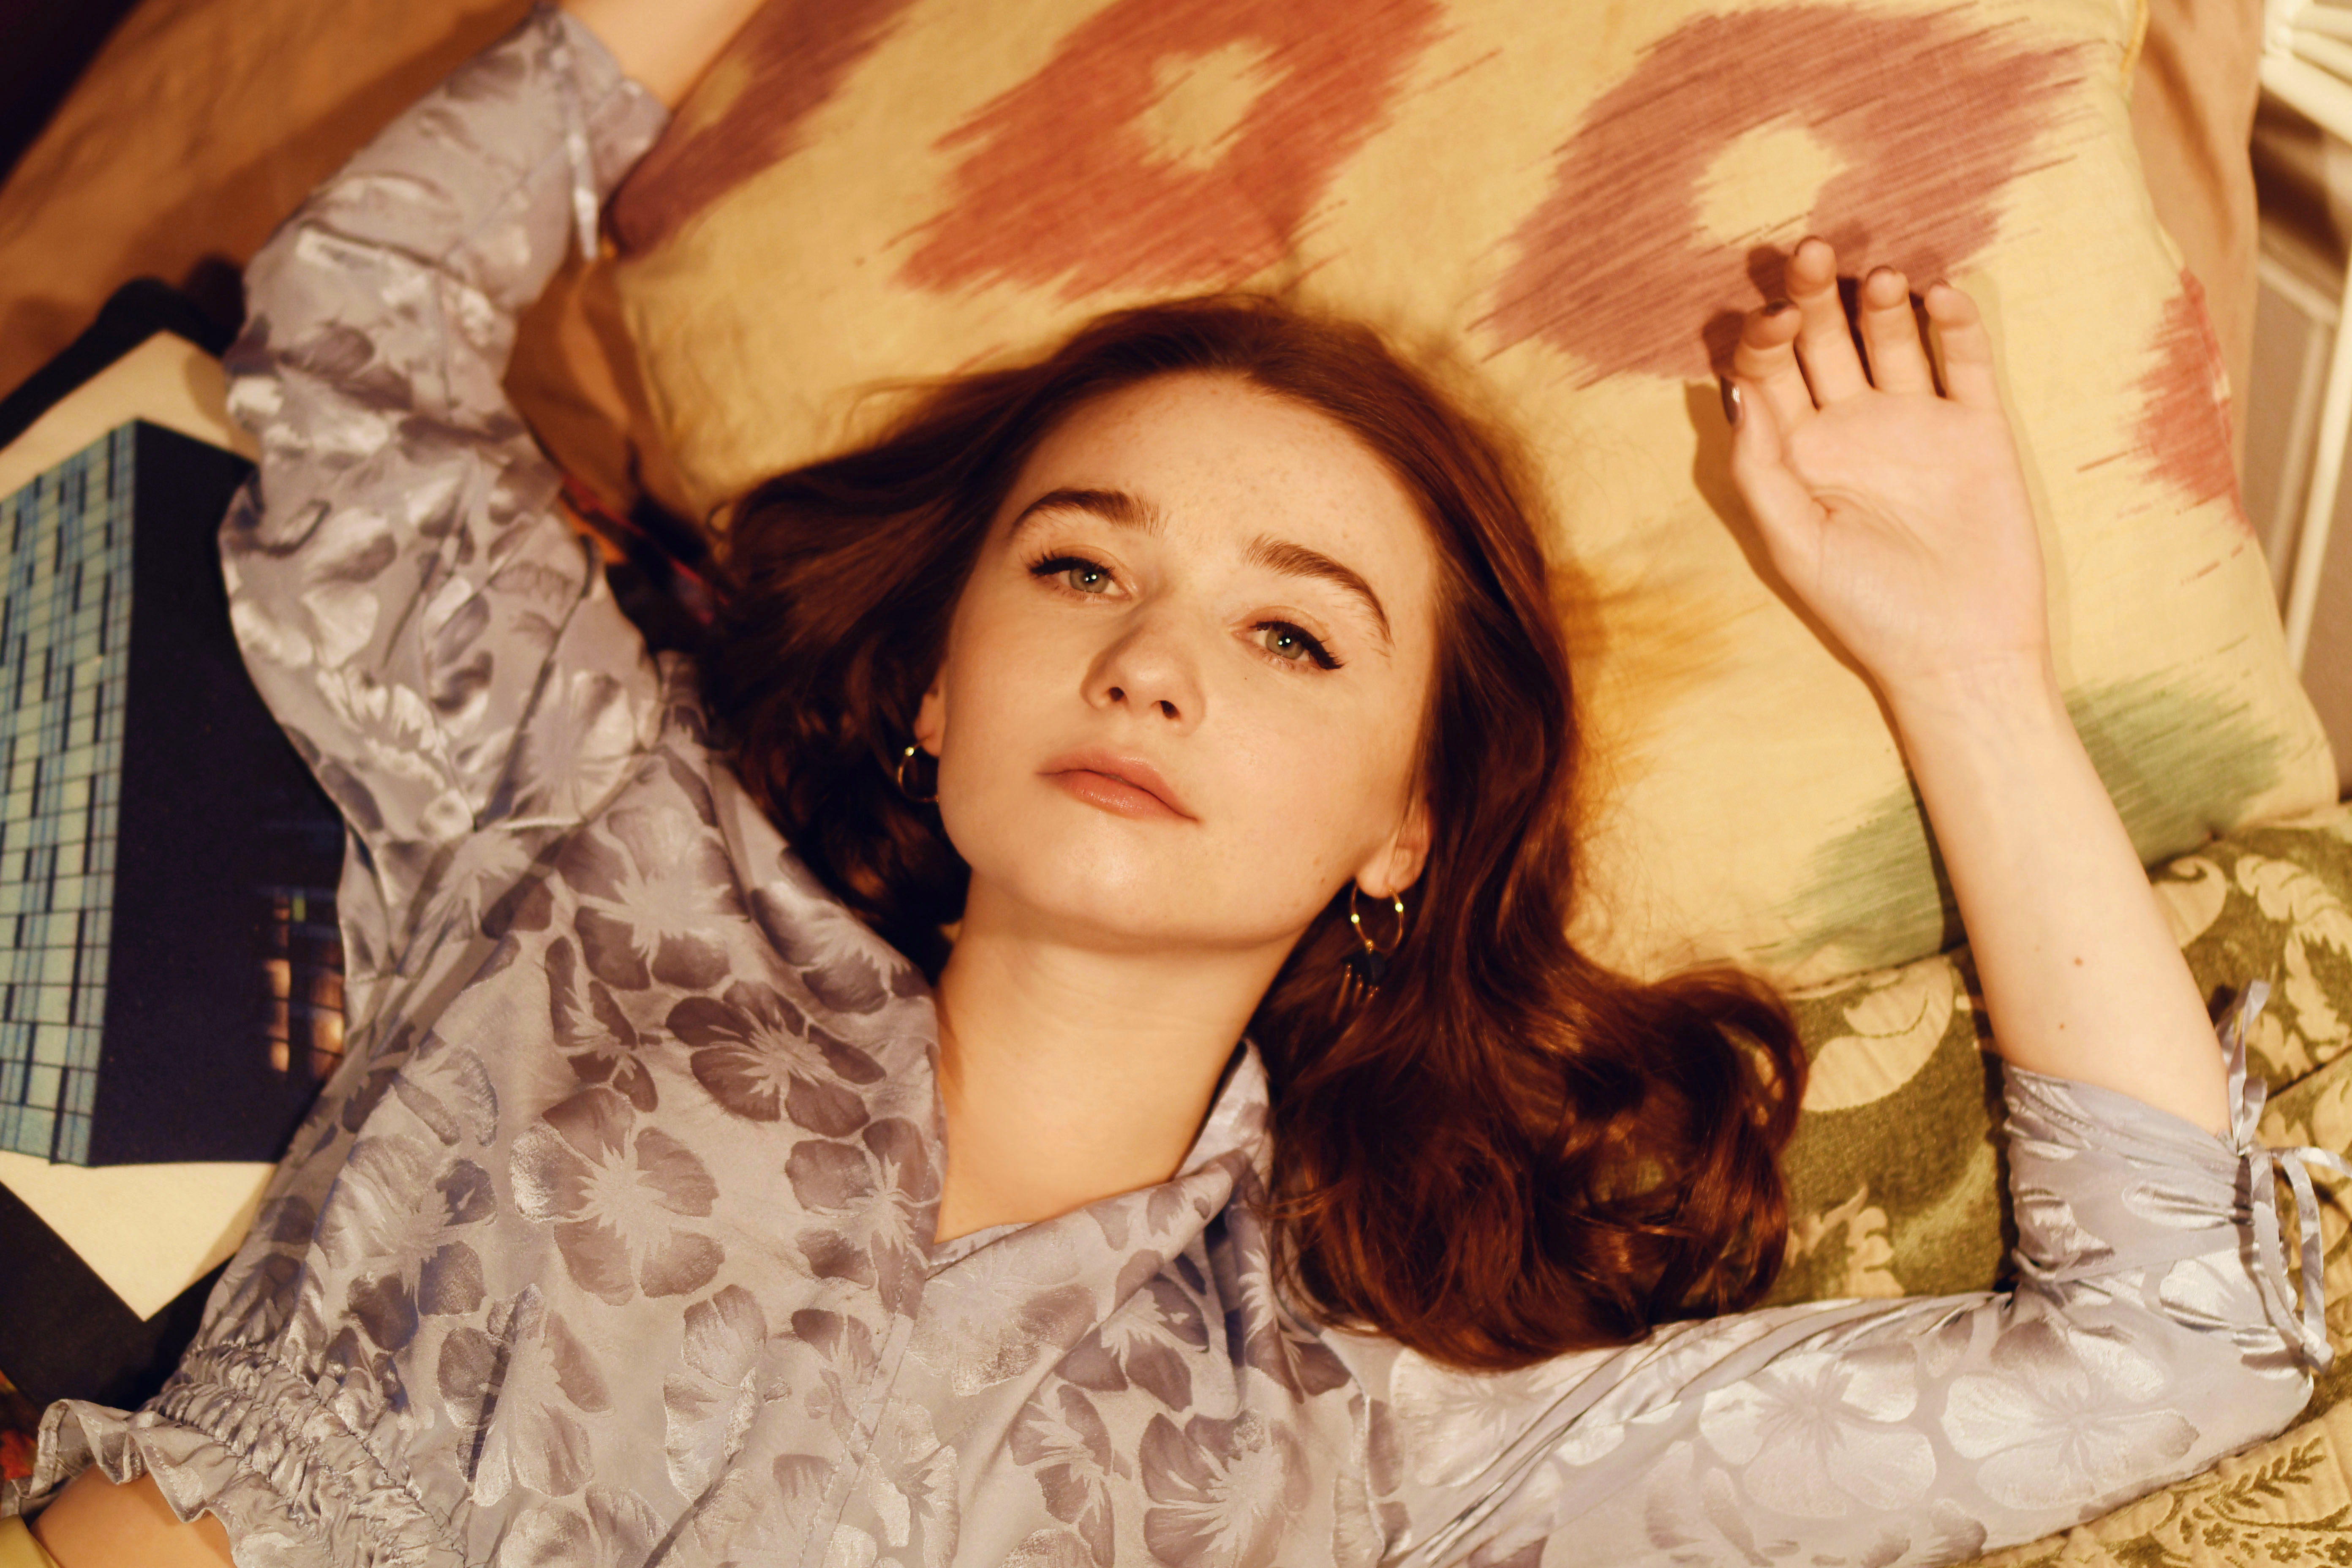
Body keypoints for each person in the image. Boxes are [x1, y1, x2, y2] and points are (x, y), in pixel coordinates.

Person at [0, 2, 2328, 1564]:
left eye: (1294, 633)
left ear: (1406, 825)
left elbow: (2174, 1347)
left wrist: (1964, 667)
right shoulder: (603, 840)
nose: (1149, 661)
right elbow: (363, 329)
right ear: (939, 685)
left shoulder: (1369, 1461)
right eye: (1080, 563)